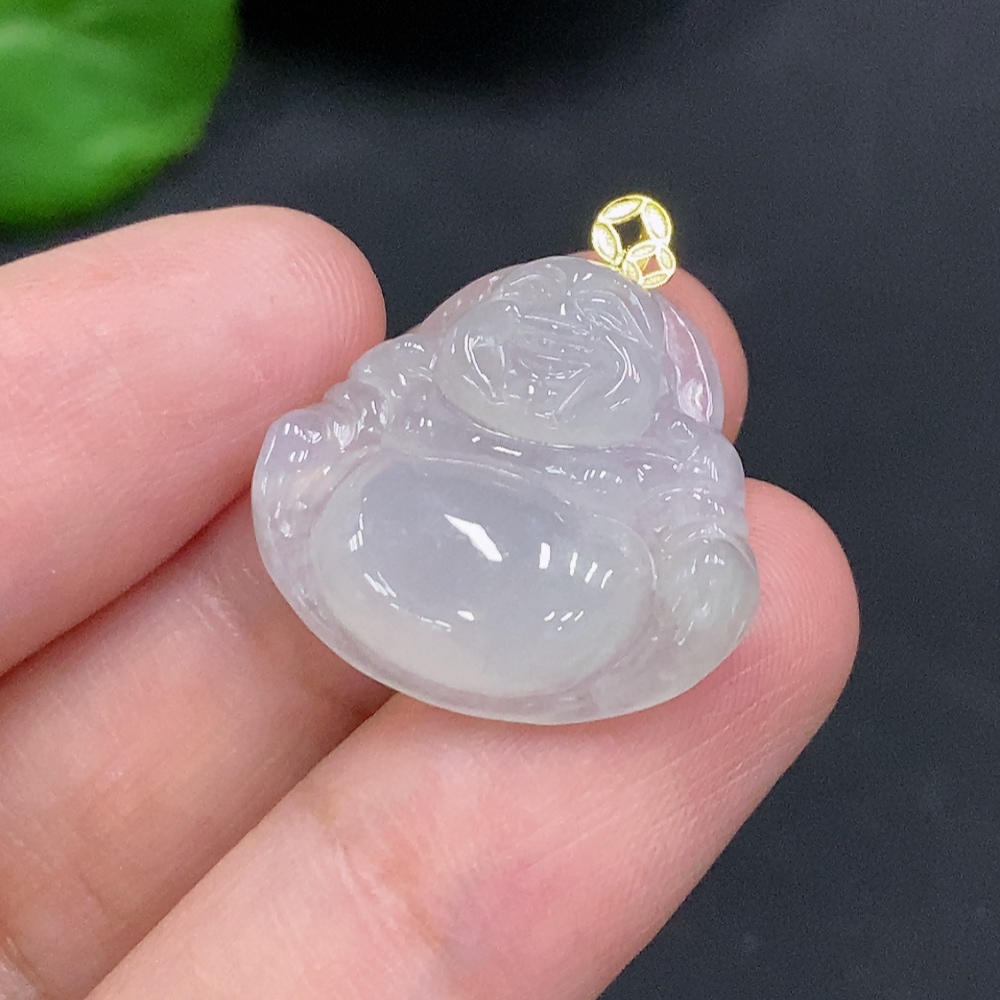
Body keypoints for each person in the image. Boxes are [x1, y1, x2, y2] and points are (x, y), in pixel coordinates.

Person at [0, 207, 858, 1000]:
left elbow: (698, 519)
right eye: (528, 325)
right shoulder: (418, 381)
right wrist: (322, 447)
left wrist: (705, 574)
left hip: (570, 577)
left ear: (641, 378)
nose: (548, 353)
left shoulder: (660, 450)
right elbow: (348, 416)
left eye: (589, 344)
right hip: (395, 526)